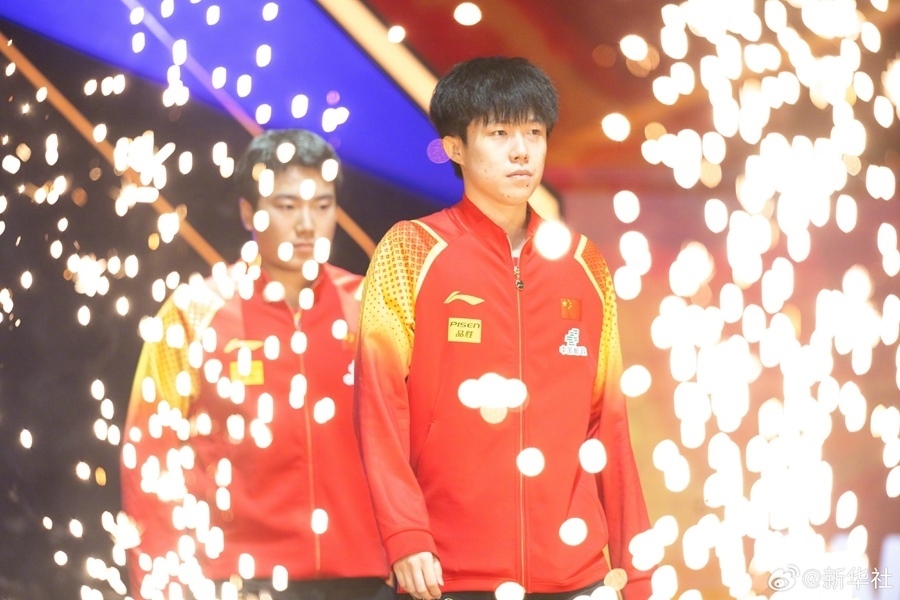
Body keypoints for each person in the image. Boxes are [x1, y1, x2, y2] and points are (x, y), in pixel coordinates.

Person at [354, 57, 653, 600]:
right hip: (448, 573)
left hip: (577, 576)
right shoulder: (410, 250)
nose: (522, 151)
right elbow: (379, 406)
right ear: (454, 147)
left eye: (534, 132)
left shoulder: (583, 262)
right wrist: (406, 534)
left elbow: (607, 425)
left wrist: (638, 573)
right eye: (499, 133)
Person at [120, 129, 393, 600]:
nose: (307, 224)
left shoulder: (373, 307)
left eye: (322, 205)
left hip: (365, 578)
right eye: (287, 206)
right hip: (236, 578)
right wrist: (161, 585)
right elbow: (150, 452)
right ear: (249, 212)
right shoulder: (193, 311)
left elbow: (414, 443)